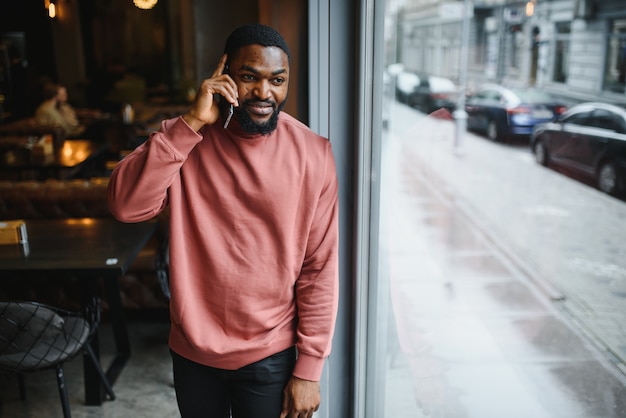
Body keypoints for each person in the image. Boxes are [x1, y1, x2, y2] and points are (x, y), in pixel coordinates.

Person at [107, 24, 339, 418]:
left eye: (277, 80)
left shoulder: (313, 154)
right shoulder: (183, 141)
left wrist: (310, 369)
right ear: (224, 73)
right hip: (193, 352)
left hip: (271, 354)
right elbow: (126, 206)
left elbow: (319, 268)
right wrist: (191, 123)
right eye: (250, 77)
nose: (265, 93)